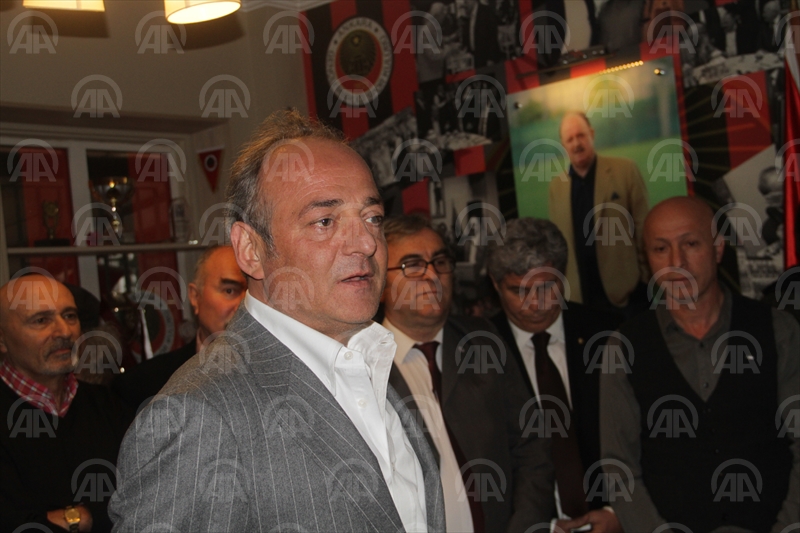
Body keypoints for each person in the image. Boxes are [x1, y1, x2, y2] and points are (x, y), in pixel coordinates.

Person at [109, 110, 445, 532]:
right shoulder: (198, 416)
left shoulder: (371, 362)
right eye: (325, 221)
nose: (365, 243)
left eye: (372, 217)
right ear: (251, 250)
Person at [600, 196, 799, 532]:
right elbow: (619, 468)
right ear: (647, 260)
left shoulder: (778, 330)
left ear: (718, 248)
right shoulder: (623, 348)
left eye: (690, 244)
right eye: (660, 249)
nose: (676, 262)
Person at [381, 215, 555, 532]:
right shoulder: (363, 366)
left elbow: (532, 447)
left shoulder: (482, 341)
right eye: (412, 265)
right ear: (378, 282)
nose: (432, 275)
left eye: (440, 262)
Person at [487, 218, 623, 533]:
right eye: (519, 290)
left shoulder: (609, 335)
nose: (535, 303)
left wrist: (621, 513)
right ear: (495, 284)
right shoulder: (479, 350)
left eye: (547, 287)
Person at [0, 273, 132, 533]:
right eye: (41, 320)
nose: (63, 331)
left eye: (70, 316)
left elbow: (148, 497)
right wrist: (96, 515)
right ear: (2, 339)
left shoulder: (109, 406)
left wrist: (75, 517)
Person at [111, 245, 246, 411]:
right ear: (195, 296)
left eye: (253, 294)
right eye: (229, 291)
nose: (243, 305)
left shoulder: (276, 374)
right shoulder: (143, 387)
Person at [549, 111, 650, 316]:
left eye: (581, 135)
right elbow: (557, 246)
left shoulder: (625, 170)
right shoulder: (556, 187)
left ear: (592, 134)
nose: (576, 144)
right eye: (570, 139)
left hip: (627, 296)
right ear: (563, 145)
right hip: (581, 301)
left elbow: (644, 228)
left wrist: (644, 280)